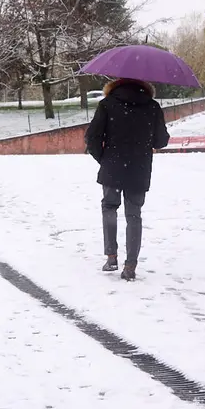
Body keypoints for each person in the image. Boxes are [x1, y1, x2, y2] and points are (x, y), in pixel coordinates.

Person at [84, 78, 170, 281]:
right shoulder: (152, 107)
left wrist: (103, 158)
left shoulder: (107, 104)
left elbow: (92, 137)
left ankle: (111, 256)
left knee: (109, 208)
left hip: (112, 167)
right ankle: (130, 265)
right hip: (138, 169)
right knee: (134, 215)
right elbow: (160, 140)